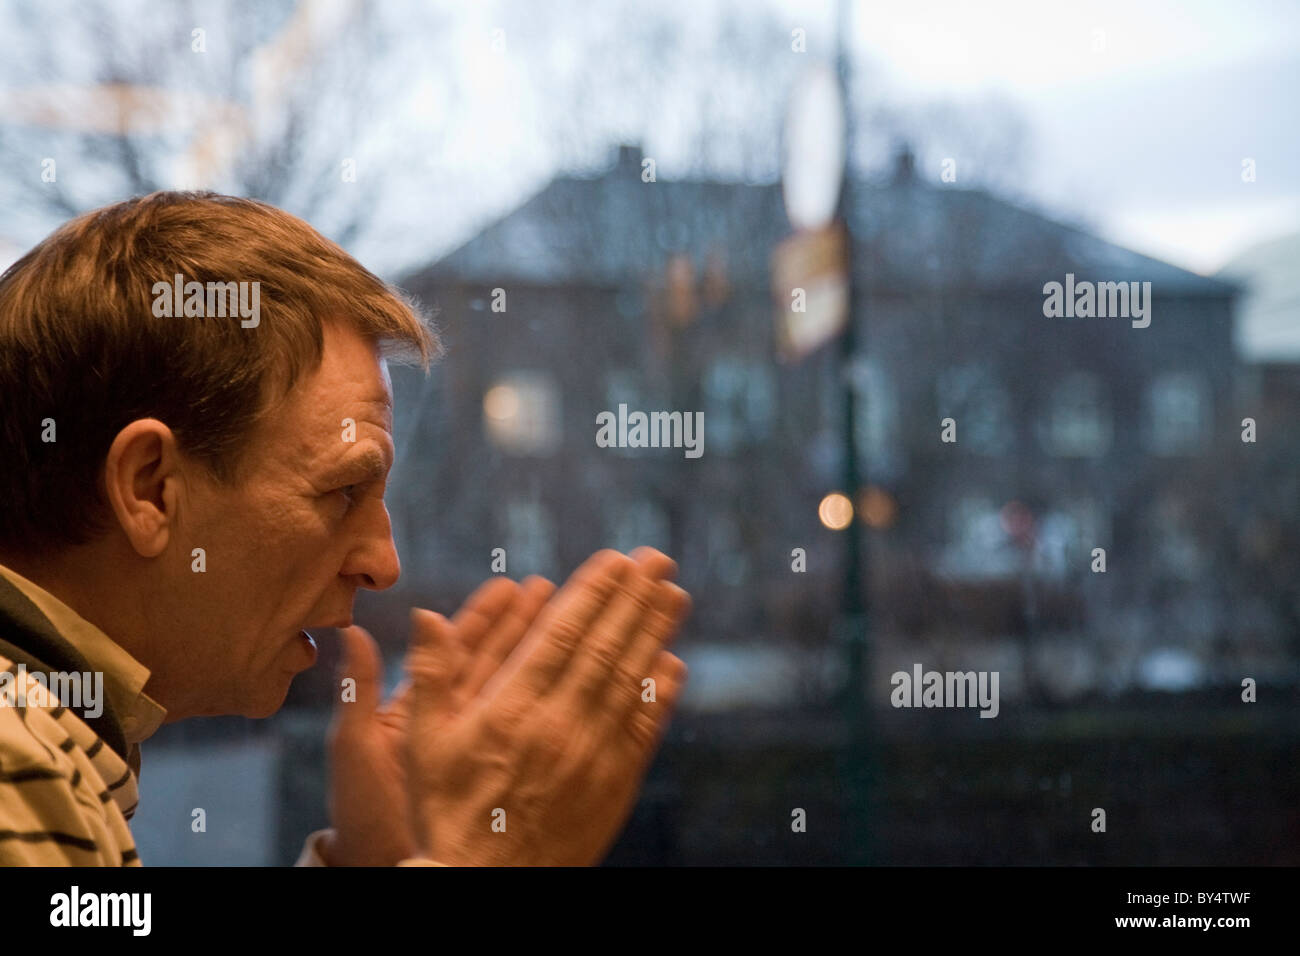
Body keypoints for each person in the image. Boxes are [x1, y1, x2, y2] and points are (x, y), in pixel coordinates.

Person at [0, 191, 690, 866]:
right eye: (344, 489)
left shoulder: (53, 744)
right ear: (149, 488)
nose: (383, 564)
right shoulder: (16, 767)